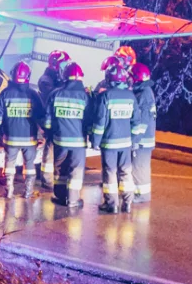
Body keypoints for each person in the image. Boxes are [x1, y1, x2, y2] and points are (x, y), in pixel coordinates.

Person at [90, 64, 141, 213]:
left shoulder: (105, 96)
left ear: (108, 79)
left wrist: (95, 141)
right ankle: (128, 202)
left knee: (110, 172)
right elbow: (136, 122)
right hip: (126, 143)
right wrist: (135, 141)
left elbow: (100, 121)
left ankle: (111, 204)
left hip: (109, 143)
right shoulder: (131, 96)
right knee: (126, 171)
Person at [43, 62, 91, 208]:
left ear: (64, 77)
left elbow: (47, 121)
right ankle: (73, 200)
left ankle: (60, 196)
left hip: (60, 141)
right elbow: (89, 120)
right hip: (78, 143)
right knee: (75, 170)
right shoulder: (85, 97)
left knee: (60, 170)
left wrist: (49, 134)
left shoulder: (55, 94)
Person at [0, 61, 44, 199]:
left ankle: (9, 190)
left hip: (10, 138)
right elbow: (41, 116)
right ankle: (28, 192)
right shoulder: (33, 94)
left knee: (9, 164)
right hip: (29, 139)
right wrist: (43, 133)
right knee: (29, 164)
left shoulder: (5, 94)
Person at [37, 50, 69, 189]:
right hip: (48, 119)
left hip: (57, 119)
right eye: (63, 65)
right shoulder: (45, 80)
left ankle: (56, 178)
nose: (65, 68)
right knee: (50, 148)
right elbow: (53, 94)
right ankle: (47, 180)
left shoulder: (58, 79)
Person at [130, 63, 157, 204]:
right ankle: (140, 193)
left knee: (140, 167)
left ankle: (141, 195)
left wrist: (135, 140)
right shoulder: (145, 91)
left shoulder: (144, 94)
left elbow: (142, 121)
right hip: (145, 139)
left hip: (142, 140)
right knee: (140, 167)